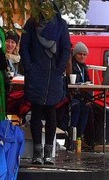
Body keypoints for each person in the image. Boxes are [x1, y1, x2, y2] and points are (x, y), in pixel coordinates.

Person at [19, 0, 71, 165]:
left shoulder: (61, 24)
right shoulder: (31, 23)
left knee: (51, 113)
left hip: (53, 75)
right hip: (36, 74)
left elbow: (65, 48)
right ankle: (37, 152)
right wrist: (29, 67)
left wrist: (59, 68)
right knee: (36, 111)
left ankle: (48, 153)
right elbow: (24, 47)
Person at [68, 42, 94, 151]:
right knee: (77, 107)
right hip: (72, 96)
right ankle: (72, 139)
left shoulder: (84, 67)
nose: (82, 56)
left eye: (84, 54)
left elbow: (88, 82)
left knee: (87, 108)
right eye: (80, 54)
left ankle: (80, 137)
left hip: (81, 96)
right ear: (75, 54)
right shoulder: (71, 65)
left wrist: (89, 98)